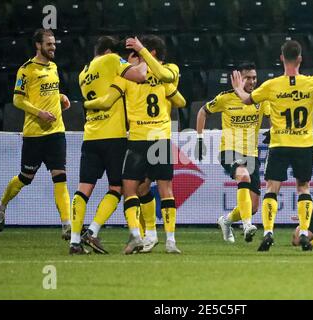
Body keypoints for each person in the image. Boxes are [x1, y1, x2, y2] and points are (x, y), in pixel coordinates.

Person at [231, 40, 313, 251]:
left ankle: (268, 231)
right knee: (303, 188)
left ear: (281, 58)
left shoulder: (271, 85)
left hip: (280, 144)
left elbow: (247, 100)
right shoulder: (312, 82)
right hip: (303, 145)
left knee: (272, 188)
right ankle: (303, 232)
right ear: (300, 58)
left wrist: (238, 88)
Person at [86, 35, 186, 254]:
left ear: (150, 53)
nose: (127, 60)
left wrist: (86, 103)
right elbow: (180, 100)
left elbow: (106, 101)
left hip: (142, 138)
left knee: (135, 188)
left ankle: (154, 238)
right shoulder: (166, 72)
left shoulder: (154, 72)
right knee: (142, 189)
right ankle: (151, 237)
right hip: (156, 137)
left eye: (133, 54)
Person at [69, 36, 148, 255]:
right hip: (114, 137)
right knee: (118, 188)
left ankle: (74, 241)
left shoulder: (83, 73)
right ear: (109, 51)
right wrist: (139, 60)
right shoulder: (111, 59)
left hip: (90, 136)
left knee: (83, 189)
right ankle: (92, 230)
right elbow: (140, 76)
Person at [0, 29, 72, 240]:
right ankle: (1, 205)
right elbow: (17, 100)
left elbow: (49, 94)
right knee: (25, 178)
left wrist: (61, 98)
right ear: (38, 45)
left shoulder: (54, 67)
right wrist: (40, 113)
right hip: (34, 135)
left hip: (56, 133)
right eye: (49, 44)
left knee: (60, 178)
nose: (53, 47)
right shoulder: (26, 70)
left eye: (54, 44)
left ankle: (67, 226)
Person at [195, 62, 270, 244]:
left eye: (254, 77)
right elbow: (202, 112)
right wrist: (199, 138)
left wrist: (273, 132)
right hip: (228, 150)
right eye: (248, 77)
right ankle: (246, 226)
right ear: (237, 79)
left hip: (251, 153)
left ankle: (227, 221)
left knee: (252, 207)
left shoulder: (260, 99)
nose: (252, 81)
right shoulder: (225, 98)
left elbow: (273, 117)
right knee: (243, 176)